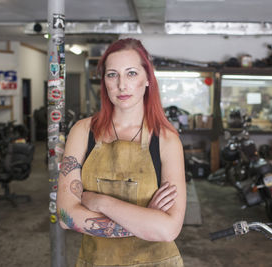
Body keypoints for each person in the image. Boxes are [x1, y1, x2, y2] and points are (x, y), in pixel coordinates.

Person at [56, 38, 186, 267]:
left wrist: (98, 202)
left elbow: (168, 229)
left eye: (132, 73)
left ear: (148, 79)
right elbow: (66, 216)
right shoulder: (82, 131)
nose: (122, 85)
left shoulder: (166, 140)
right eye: (112, 74)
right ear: (104, 81)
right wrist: (145, 220)